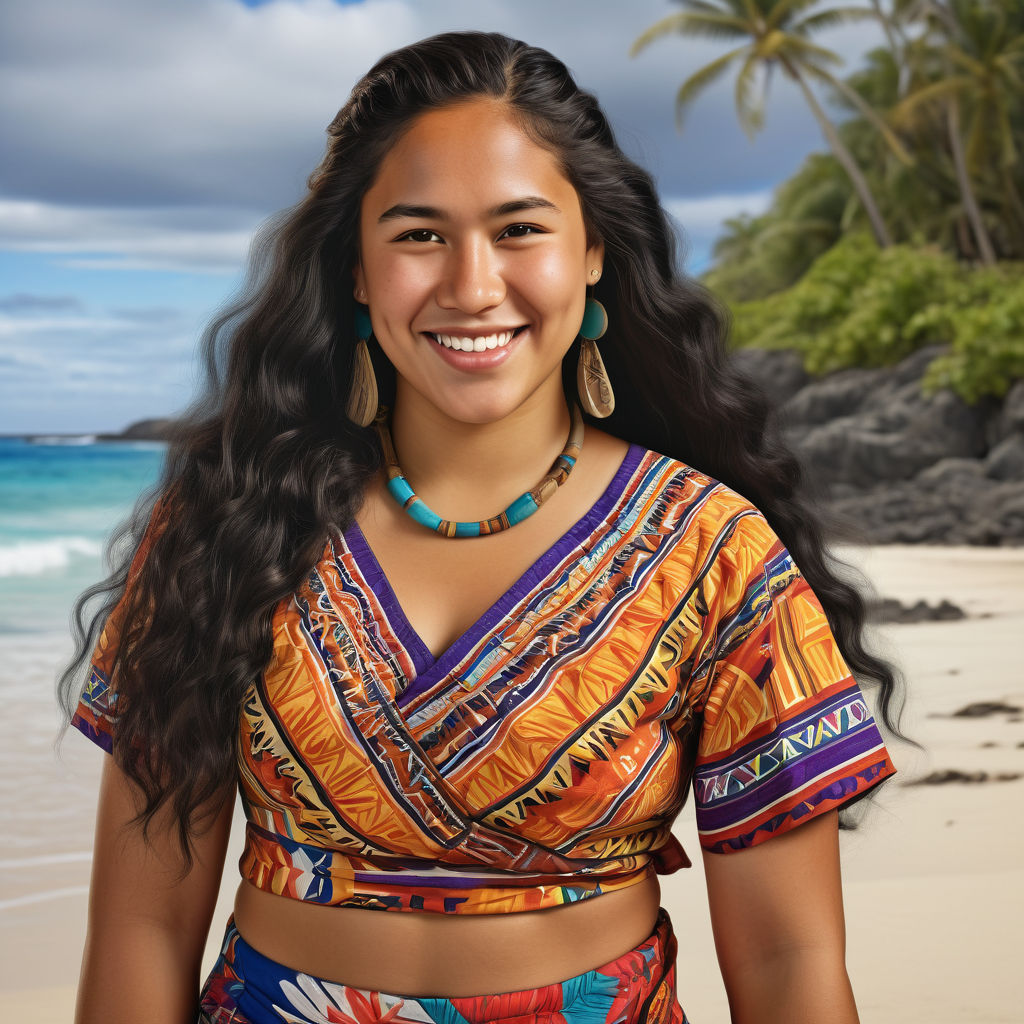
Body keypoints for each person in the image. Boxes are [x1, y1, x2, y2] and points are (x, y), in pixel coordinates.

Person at [59, 30, 903, 1024]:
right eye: (419, 235)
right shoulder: (224, 526)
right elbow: (140, 930)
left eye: (518, 230)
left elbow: (789, 959)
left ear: (591, 252)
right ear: (357, 270)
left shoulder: (712, 550)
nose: (470, 285)